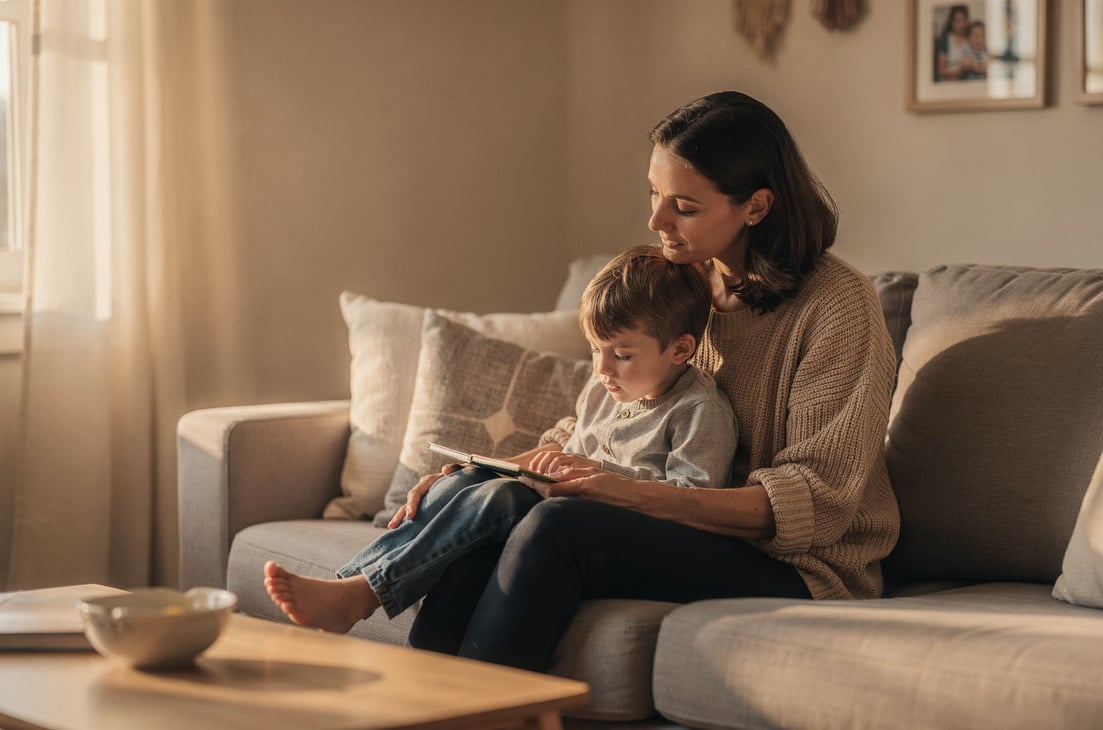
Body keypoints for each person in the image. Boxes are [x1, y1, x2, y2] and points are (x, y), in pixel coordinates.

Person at [275, 91, 899, 674]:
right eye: (654, 193)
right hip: (682, 525)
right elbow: (593, 428)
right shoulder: (682, 286)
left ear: (756, 206)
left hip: (794, 563)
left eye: (684, 206)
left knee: (558, 528)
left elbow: (816, 502)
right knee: (500, 502)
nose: (657, 218)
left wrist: (625, 494)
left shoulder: (838, 307)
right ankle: (425, 693)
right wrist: (487, 471)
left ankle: (481, 713)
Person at [263, 244, 738, 634]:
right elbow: (562, 441)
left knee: (500, 500)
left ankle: (362, 594)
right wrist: (479, 467)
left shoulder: (699, 410)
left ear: (680, 349)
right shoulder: (603, 390)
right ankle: (354, 585)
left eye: (621, 354)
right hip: (558, 504)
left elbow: (693, 504)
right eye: (595, 350)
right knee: (457, 484)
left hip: (606, 534)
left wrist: (604, 475)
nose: (602, 369)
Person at [935, 5, 971, 82]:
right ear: (951, 22)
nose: (960, 26)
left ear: (967, 21)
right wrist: (956, 72)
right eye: (957, 21)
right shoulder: (945, 40)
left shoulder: (971, 39)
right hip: (947, 83)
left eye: (962, 21)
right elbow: (940, 70)